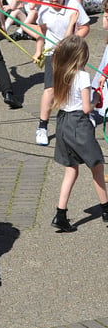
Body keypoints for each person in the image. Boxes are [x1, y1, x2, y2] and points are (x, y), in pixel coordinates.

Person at [51, 36, 108, 232]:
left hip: (63, 122)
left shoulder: (60, 72)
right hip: (79, 124)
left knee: (71, 170)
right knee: (97, 167)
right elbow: (86, 108)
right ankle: (106, 210)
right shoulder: (82, 76)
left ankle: (60, 213)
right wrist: (97, 97)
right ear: (80, 56)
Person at [33, 0, 89, 147]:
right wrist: (38, 51)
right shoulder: (43, 9)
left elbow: (85, 27)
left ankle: (84, 119)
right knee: (50, 89)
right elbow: (42, 33)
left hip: (72, 51)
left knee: (78, 86)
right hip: (53, 52)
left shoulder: (73, 5)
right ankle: (42, 126)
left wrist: (71, 41)